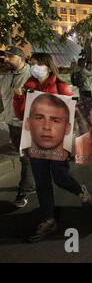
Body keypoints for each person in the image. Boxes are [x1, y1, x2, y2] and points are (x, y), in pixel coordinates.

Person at [13, 52, 90, 243]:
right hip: (36, 140)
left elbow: (71, 113)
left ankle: (79, 189)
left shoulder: (61, 86)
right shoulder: (28, 86)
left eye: (37, 63)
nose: (34, 67)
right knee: (41, 182)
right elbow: (22, 113)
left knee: (60, 177)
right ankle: (48, 219)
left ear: (48, 66)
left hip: (58, 141)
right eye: (32, 64)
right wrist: (18, 98)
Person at [0, 46, 35, 208]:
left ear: (21, 58)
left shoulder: (32, 74)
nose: (6, 59)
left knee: (25, 157)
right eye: (5, 56)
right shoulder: (6, 77)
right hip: (11, 123)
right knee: (27, 156)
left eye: (10, 56)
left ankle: (24, 191)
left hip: (28, 123)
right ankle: (33, 182)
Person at [24, 94, 72, 161]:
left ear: (67, 128)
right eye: (39, 118)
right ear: (27, 123)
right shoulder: (20, 159)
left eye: (55, 121)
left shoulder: (78, 164)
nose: (46, 127)